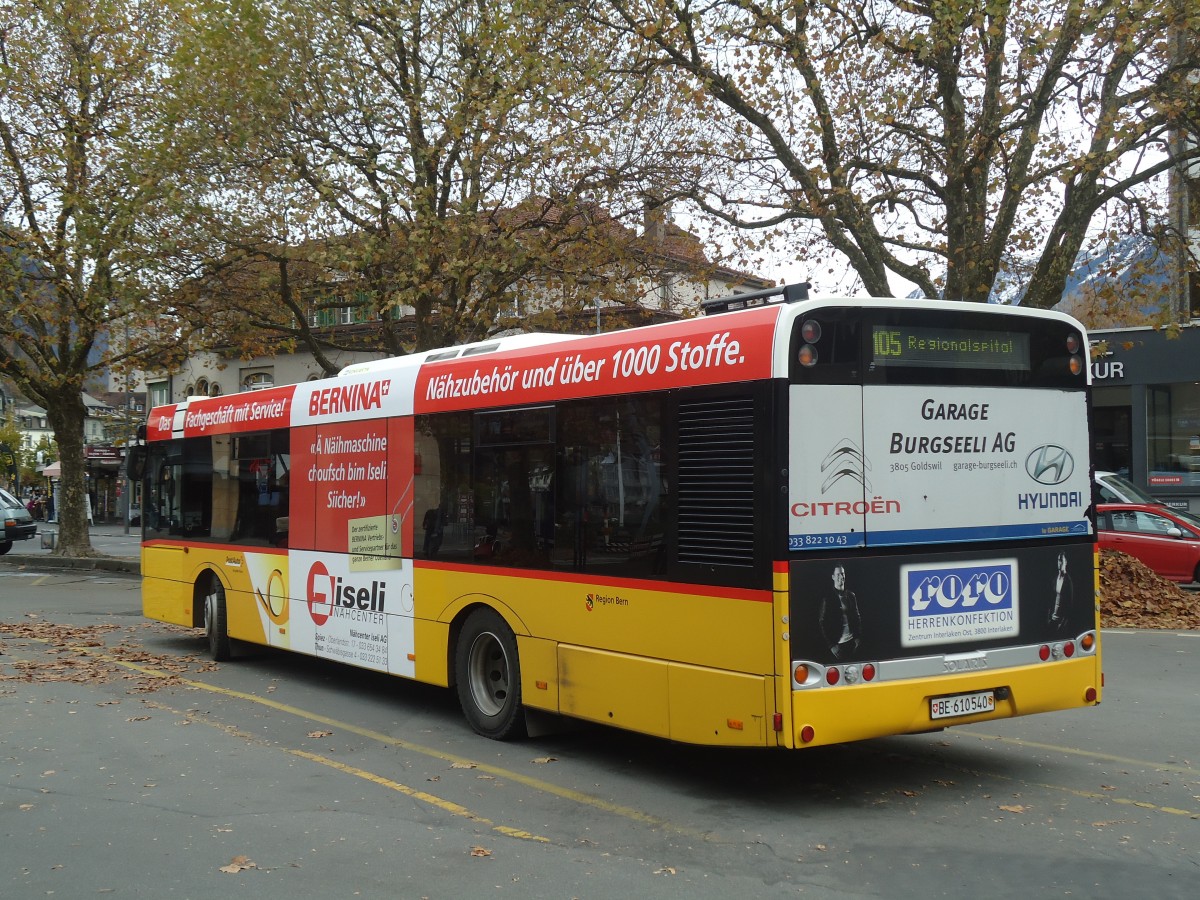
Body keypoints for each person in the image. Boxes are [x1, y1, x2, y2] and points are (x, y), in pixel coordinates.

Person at [819, 564, 862, 660]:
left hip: (852, 643)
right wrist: (831, 645)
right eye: (838, 574)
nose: (841, 577)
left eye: (842, 574)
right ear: (833, 577)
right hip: (838, 645)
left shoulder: (851, 595)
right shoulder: (827, 598)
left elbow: (857, 616)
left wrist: (858, 637)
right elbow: (822, 623)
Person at [1048, 551, 1072, 629]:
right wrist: (1049, 617)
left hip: (1061, 623)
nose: (1060, 563)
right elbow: (1050, 599)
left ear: (1066, 562)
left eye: (1062, 560)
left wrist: (1062, 624)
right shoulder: (1055, 579)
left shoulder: (1068, 581)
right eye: (1059, 560)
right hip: (1052, 620)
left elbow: (1069, 604)